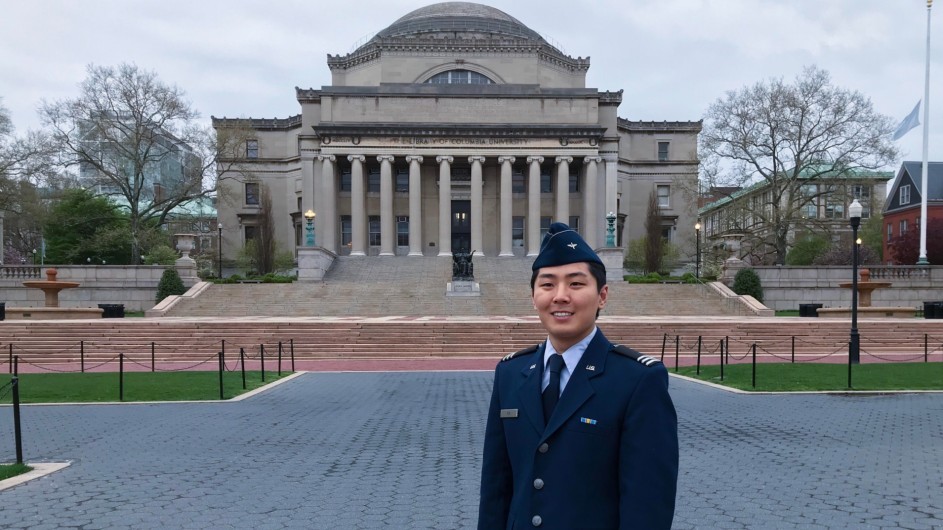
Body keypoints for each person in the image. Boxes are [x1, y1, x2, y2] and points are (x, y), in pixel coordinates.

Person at [478, 222, 678, 529]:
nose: (559, 296)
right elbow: (495, 489)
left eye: (575, 284)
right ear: (533, 297)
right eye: (547, 284)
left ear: (602, 296)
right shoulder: (511, 373)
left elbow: (647, 505)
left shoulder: (637, 381)